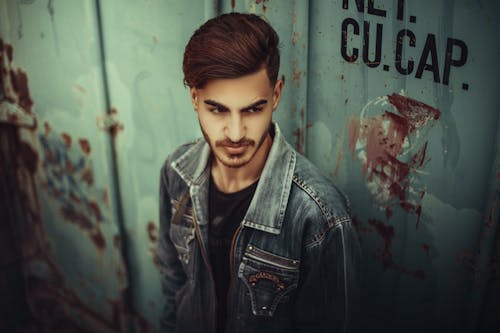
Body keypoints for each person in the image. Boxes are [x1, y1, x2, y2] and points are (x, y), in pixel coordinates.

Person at [157, 12, 361, 333]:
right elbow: (173, 282)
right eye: (218, 109)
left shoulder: (319, 216)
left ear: (276, 95)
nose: (236, 133)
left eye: (253, 108)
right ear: (194, 98)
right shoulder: (176, 172)